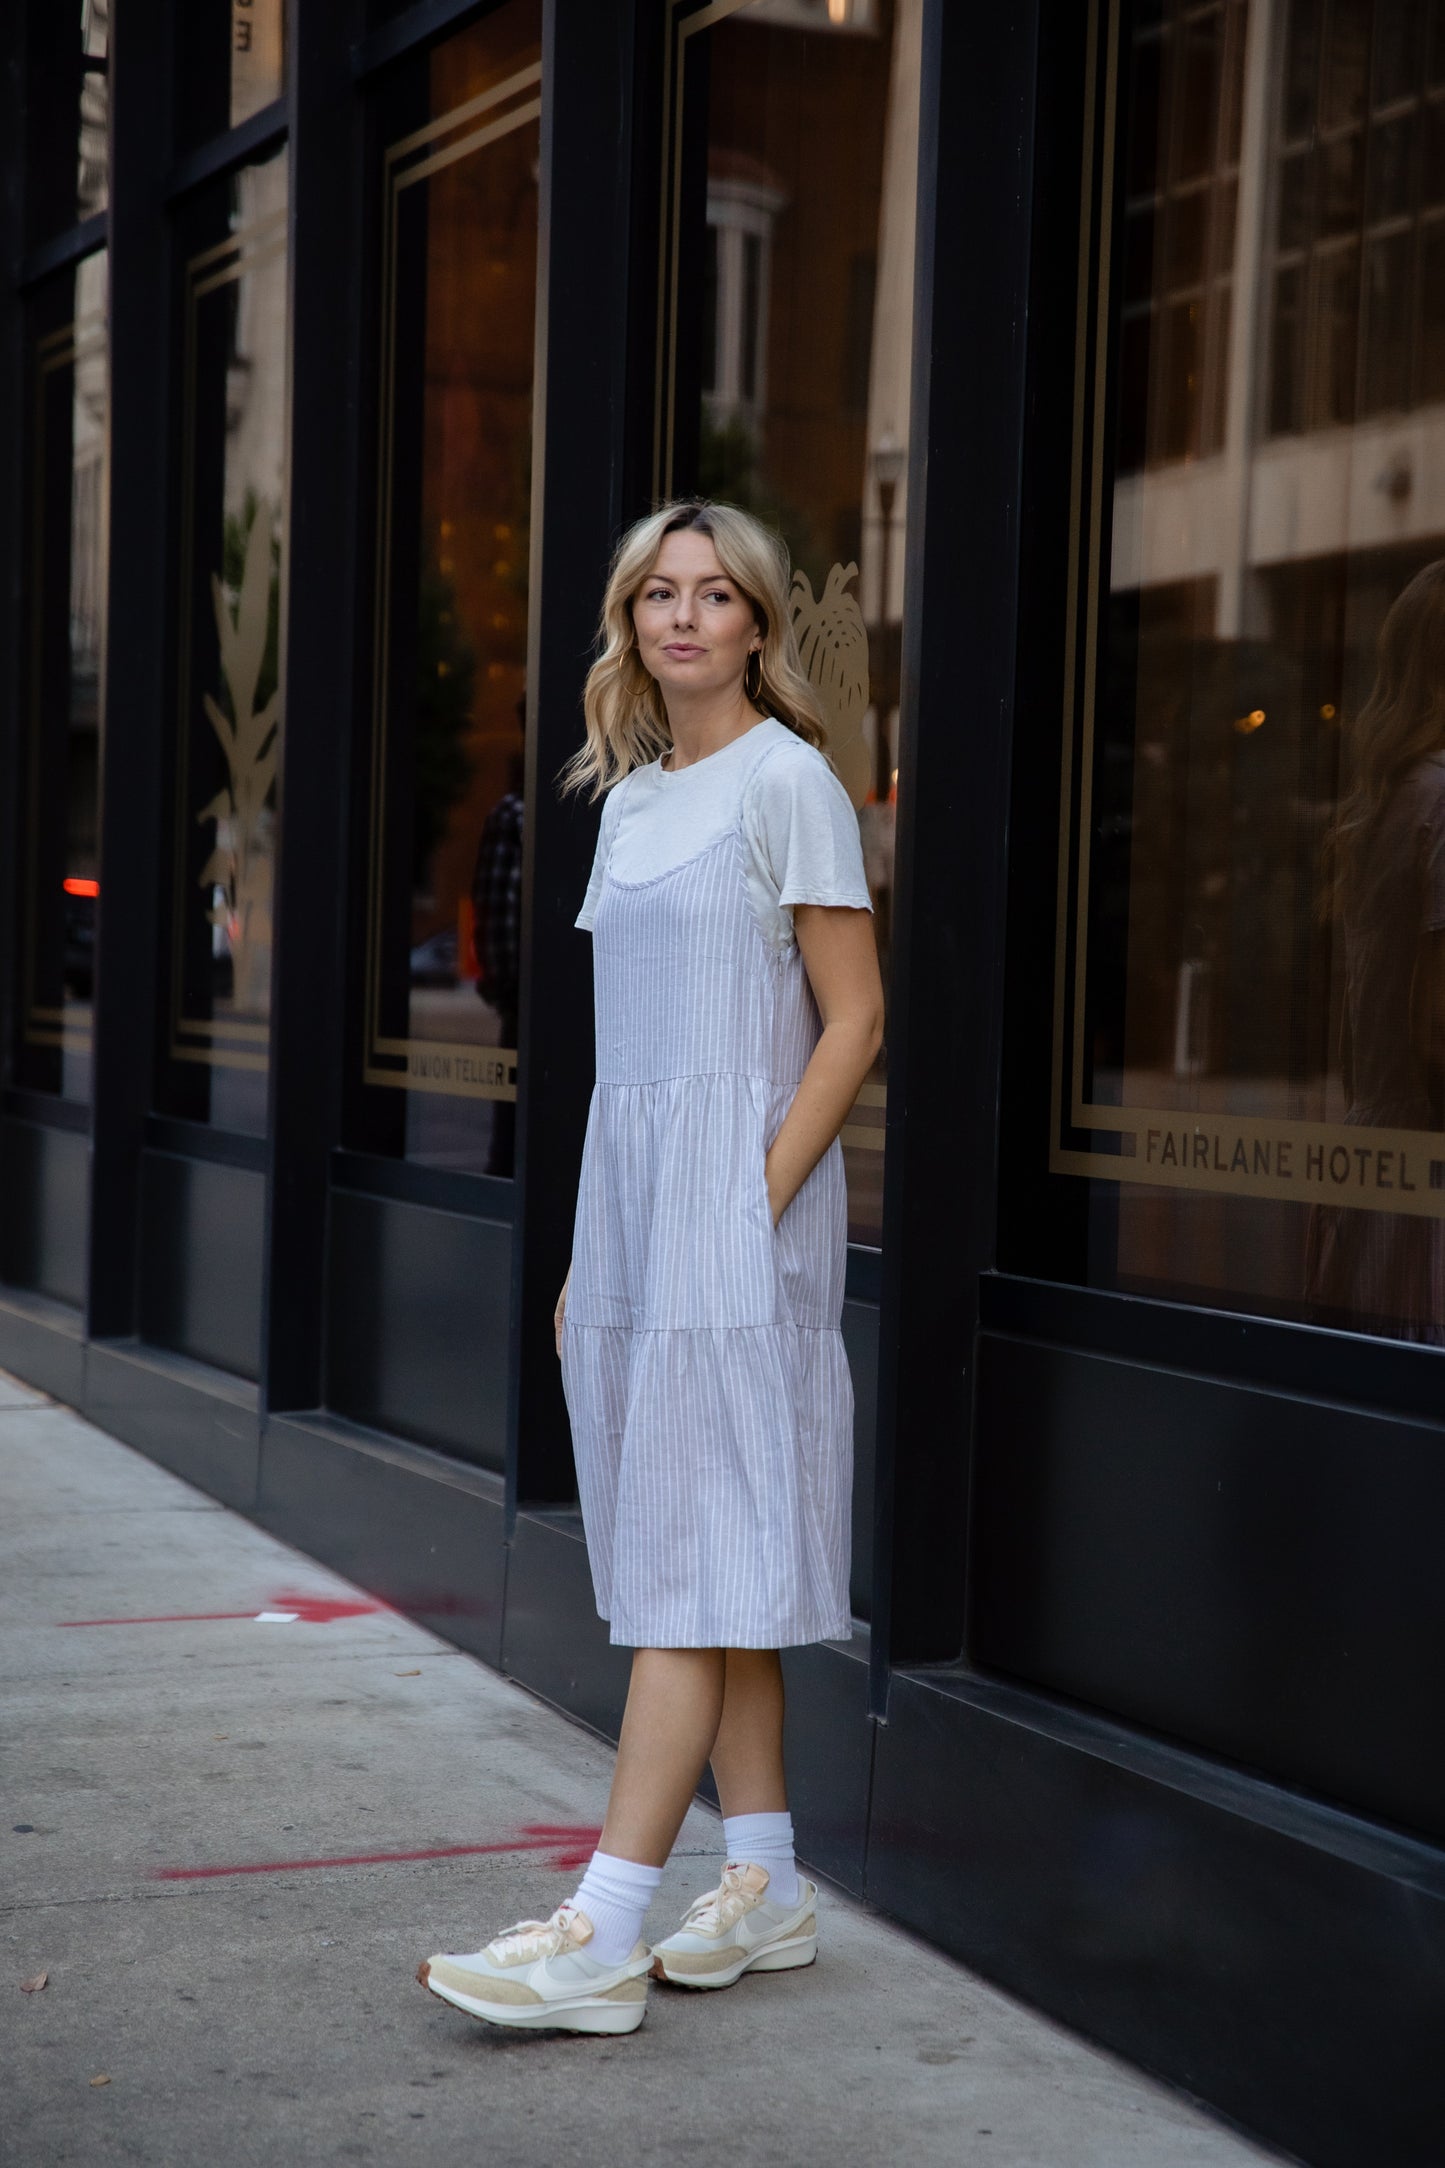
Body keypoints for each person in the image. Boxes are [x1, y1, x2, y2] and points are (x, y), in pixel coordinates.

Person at [417, 499, 883, 2034]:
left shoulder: (790, 783)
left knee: (684, 1574)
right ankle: (770, 1881)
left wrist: (746, 1205)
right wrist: (590, 1249)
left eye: (714, 594)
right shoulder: (620, 803)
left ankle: (602, 1928)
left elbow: (856, 1022)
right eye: (656, 595)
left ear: (757, 621)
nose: (683, 618)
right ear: (630, 624)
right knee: (711, 1558)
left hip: (739, 1215)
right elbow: (630, 1063)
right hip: (633, 1210)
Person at [1307, 558, 1445, 1343]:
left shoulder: (1391, 798)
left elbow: (1352, 1039)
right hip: (1424, 1172)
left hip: (1373, 1162)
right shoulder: (1439, 799)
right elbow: (1436, 1027)